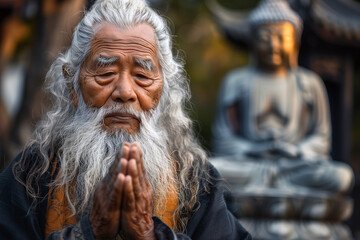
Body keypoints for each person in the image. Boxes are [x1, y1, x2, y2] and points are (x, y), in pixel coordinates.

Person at [0, 0, 251, 239]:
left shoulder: (196, 182)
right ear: (72, 85)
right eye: (106, 73)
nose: (125, 92)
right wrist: (91, 230)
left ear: (163, 91)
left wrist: (148, 233)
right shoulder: (31, 175)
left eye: (142, 76)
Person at [211, 0, 353, 195]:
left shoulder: (309, 83)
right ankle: (277, 187)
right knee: (210, 170)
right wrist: (252, 150)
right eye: (265, 37)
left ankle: (270, 186)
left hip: (294, 165)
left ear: (293, 41)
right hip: (250, 163)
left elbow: (321, 138)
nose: (273, 44)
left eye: (280, 37)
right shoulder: (236, 81)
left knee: (341, 176)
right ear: (253, 40)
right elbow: (223, 138)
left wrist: (297, 151)